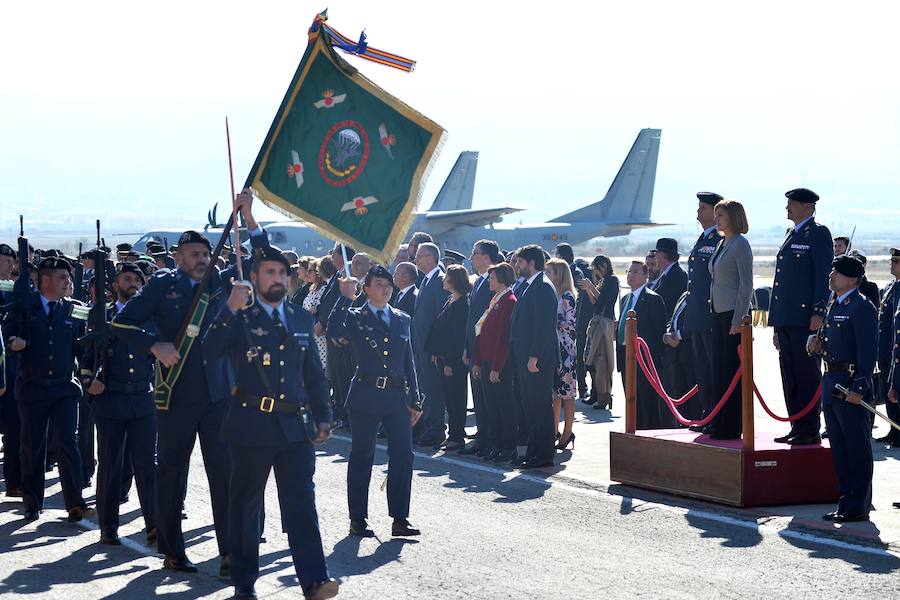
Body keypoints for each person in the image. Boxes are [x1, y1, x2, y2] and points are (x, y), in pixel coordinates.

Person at [112, 190, 267, 574]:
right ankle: (172, 550)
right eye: (194, 254)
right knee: (171, 474)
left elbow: (264, 260)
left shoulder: (223, 281)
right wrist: (155, 345)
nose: (201, 259)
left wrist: (248, 217)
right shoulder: (164, 285)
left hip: (219, 395)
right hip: (177, 393)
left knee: (225, 474)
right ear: (178, 258)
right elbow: (122, 322)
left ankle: (230, 552)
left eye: (204, 253)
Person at [204, 245, 338, 600]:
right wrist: (229, 308)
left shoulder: (299, 318)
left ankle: (314, 580)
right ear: (253, 278)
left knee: (302, 507)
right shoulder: (240, 316)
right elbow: (209, 350)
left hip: (294, 426)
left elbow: (314, 373)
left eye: (282, 273)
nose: (277, 279)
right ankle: (245, 583)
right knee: (246, 507)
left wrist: (323, 415)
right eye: (269, 273)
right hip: (250, 425)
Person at [327, 265, 423, 539]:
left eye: (388, 284)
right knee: (362, 456)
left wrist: (415, 397)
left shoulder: (402, 318)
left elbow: (409, 359)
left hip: (395, 396)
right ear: (366, 288)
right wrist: (344, 296)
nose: (386, 289)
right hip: (366, 394)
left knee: (403, 455)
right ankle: (358, 518)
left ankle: (400, 518)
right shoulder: (356, 316)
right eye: (379, 284)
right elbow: (333, 330)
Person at [3, 256, 94, 522]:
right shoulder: (23, 308)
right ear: (45, 281)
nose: (69, 282)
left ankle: (75, 502)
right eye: (62, 278)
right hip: (33, 387)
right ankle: (32, 502)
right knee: (32, 445)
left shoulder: (75, 309)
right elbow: (7, 335)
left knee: (68, 442)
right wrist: (14, 343)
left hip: (65, 388)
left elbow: (86, 346)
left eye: (68, 277)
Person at [81, 262, 157, 546]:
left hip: (141, 399)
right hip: (110, 398)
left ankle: (154, 525)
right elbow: (86, 359)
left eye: (138, 279)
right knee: (111, 465)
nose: (134, 283)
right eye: (127, 278)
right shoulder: (101, 316)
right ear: (115, 285)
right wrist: (90, 382)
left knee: (147, 466)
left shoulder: (149, 317)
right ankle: (108, 525)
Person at [814, 255, 876, 523]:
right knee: (839, 447)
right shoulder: (834, 304)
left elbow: (867, 351)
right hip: (831, 381)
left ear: (852, 279)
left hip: (850, 384)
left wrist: (860, 386)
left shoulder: (861, 307)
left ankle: (858, 504)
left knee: (856, 447)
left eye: (836, 272)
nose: (831, 275)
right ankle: (846, 500)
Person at [770, 188, 833, 445]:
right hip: (786, 318)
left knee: (806, 375)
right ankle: (796, 424)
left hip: (805, 319)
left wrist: (818, 313)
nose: (787, 209)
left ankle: (808, 428)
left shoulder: (817, 234)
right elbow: (780, 284)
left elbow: (822, 278)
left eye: (792, 204)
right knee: (790, 375)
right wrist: (775, 323)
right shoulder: (791, 235)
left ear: (808, 207)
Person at [509, 245, 559, 468]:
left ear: (531, 263)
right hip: (525, 357)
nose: (517, 266)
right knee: (530, 407)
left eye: (520, 262)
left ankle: (544, 454)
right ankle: (533, 451)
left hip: (536, 359)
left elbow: (543, 327)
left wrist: (534, 356)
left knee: (540, 407)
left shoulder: (543, 287)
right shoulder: (529, 286)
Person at [708, 200, 754, 440]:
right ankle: (719, 422)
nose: (717, 219)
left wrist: (739, 319)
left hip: (731, 316)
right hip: (717, 313)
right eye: (716, 215)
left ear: (734, 217)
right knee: (718, 370)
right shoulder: (721, 243)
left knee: (730, 372)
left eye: (721, 215)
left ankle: (731, 425)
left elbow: (746, 284)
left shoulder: (740, 244)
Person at [683, 192, 724, 427]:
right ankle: (707, 414)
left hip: (711, 316)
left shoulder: (719, 239)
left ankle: (716, 417)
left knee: (713, 369)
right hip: (698, 315)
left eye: (703, 208)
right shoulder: (703, 239)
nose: (698, 212)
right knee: (702, 370)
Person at [471, 263, 518, 463]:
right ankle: (496, 444)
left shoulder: (509, 300)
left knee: (504, 407)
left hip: (499, 364)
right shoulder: (495, 299)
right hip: (486, 360)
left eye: (492, 278)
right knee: (492, 406)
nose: (489, 281)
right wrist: (478, 362)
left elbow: (503, 337)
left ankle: (508, 447)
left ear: (503, 278)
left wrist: (497, 367)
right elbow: (481, 333)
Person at [460, 240, 501, 456]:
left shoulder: (493, 283)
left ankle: (491, 440)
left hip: (486, 349)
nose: (471, 257)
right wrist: (468, 347)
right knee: (478, 397)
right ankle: (483, 436)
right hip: (474, 347)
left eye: (475, 253)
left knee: (489, 398)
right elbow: (472, 319)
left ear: (486, 257)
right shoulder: (478, 282)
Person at [616, 261, 668, 429]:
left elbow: (658, 331)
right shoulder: (625, 299)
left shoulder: (653, 299)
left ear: (646, 276)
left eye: (636, 272)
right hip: (625, 356)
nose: (630, 275)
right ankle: (634, 431)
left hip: (644, 359)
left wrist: (651, 359)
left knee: (647, 401)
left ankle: (649, 432)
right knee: (631, 400)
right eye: (629, 271)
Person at [425, 265, 470, 451]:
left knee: (456, 399)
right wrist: (436, 352)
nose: (443, 280)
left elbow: (457, 337)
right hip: (443, 357)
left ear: (454, 280)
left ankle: (457, 437)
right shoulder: (451, 300)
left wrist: (451, 362)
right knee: (449, 399)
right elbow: (440, 329)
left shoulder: (462, 304)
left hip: (454, 361)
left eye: (446, 278)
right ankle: (453, 434)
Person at [410, 242, 450, 448]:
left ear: (432, 258)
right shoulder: (426, 280)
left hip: (430, 347)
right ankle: (428, 426)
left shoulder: (439, 279)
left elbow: (440, 318)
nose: (416, 259)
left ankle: (436, 430)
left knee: (433, 389)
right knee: (425, 387)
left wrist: (435, 347)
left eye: (421, 255)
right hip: (420, 344)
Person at [319, 243, 355, 429]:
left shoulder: (347, 277)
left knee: (342, 376)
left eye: (333, 252)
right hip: (330, 334)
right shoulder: (337, 276)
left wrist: (325, 324)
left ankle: (346, 415)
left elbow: (336, 304)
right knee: (337, 378)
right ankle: (341, 413)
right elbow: (326, 303)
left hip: (339, 336)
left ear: (342, 255)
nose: (331, 255)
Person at [546, 259, 577, 450]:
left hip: (566, 350)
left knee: (567, 394)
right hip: (553, 348)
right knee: (554, 393)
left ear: (559, 274)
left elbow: (570, 323)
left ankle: (568, 432)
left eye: (549, 271)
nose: (546, 274)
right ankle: (553, 429)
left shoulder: (567, 296)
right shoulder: (551, 293)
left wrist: (551, 320)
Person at [581, 255, 619, 410]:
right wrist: (589, 289)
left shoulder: (612, 280)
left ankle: (603, 396)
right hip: (597, 321)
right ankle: (596, 394)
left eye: (596, 268)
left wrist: (590, 286)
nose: (595, 272)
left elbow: (604, 301)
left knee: (601, 360)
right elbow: (595, 302)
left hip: (604, 324)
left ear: (603, 266)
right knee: (592, 359)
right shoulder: (603, 281)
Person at [0, 243, 23, 497]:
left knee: (15, 428)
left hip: (11, 368)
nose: (11, 267)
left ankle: (14, 482)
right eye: (7, 261)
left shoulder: (15, 291)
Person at [877, 248, 900, 447]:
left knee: (897, 391)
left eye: (896, 262)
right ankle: (894, 429)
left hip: (896, 350)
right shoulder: (891, 286)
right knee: (888, 391)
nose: (892, 265)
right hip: (885, 349)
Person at [303, 258, 332, 372]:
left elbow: (323, 310)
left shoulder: (324, 289)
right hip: (310, 334)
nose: (307, 273)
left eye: (310, 271)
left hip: (319, 336)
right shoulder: (312, 289)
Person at [649, 238, 687, 321]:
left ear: (664, 255)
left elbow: (662, 299)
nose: (655, 256)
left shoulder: (677, 275)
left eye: (657, 253)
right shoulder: (668, 273)